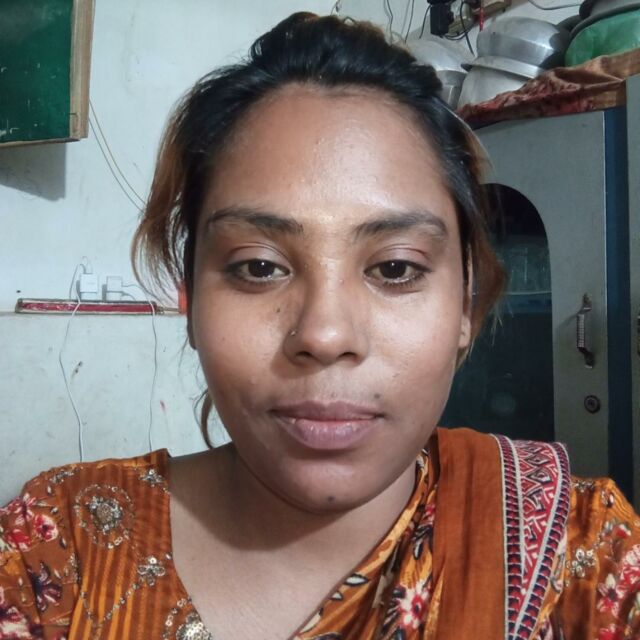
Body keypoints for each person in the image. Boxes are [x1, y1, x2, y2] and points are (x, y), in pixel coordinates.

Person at [1, 12, 638, 640]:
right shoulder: (59, 552)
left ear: (466, 306)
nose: (326, 336)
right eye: (258, 267)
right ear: (190, 301)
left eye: (394, 268)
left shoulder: (585, 558)